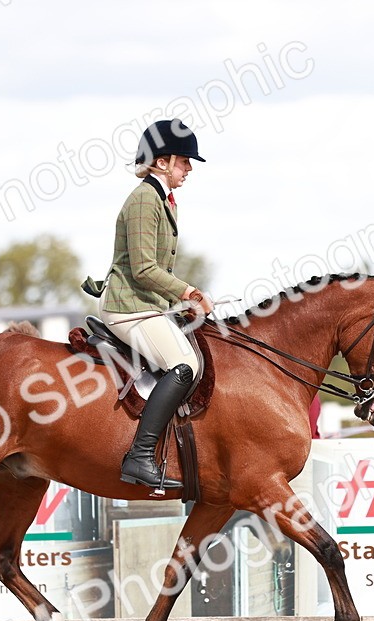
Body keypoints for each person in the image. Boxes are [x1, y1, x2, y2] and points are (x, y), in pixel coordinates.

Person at [88, 119, 214, 491]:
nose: (189, 168)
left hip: (147, 304)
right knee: (186, 364)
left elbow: (156, 271)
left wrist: (179, 302)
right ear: (161, 162)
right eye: (184, 161)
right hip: (128, 306)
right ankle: (140, 456)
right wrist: (189, 292)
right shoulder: (145, 199)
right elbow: (144, 268)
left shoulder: (163, 199)